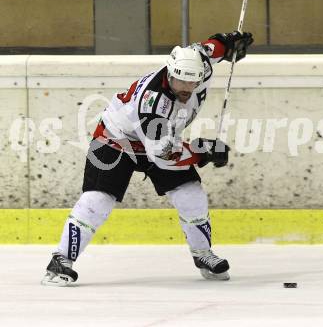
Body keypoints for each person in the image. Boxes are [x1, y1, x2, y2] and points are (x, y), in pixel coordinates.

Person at [41, 31, 254, 286]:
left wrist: (229, 43)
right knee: (98, 200)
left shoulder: (198, 63)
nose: (187, 89)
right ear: (170, 72)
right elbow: (164, 155)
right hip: (117, 140)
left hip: (160, 139)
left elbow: (211, 48)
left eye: (192, 83)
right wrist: (202, 151)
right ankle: (61, 259)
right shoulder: (151, 105)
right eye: (180, 82)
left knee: (190, 192)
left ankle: (202, 254)